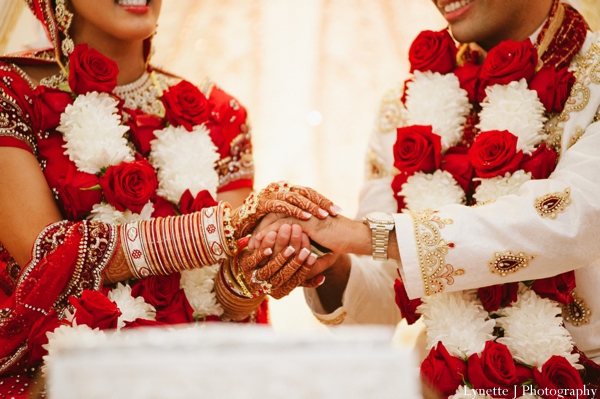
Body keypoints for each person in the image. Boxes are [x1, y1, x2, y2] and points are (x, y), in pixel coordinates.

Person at [251, 0, 600, 393]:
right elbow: (382, 305)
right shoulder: (404, 108)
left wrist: (368, 235)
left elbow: (576, 220)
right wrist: (326, 260)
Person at [0, 0, 337, 395]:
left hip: (204, 379)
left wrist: (262, 265)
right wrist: (226, 227)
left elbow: (223, 303)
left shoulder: (216, 114)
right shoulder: (13, 93)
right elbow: (44, 252)